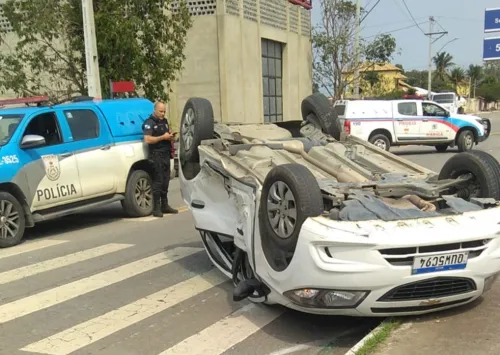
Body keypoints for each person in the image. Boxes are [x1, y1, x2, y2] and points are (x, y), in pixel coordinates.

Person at [142, 101, 178, 217]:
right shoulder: (149, 123)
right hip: (156, 154)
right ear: (155, 110)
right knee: (158, 181)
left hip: (166, 154)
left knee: (166, 180)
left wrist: (171, 136)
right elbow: (147, 139)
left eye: (164, 111)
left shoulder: (165, 122)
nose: (163, 114)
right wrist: (163, 137)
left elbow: (167, 134)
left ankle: (165, 205)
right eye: (161, 111)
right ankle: (156, 208)